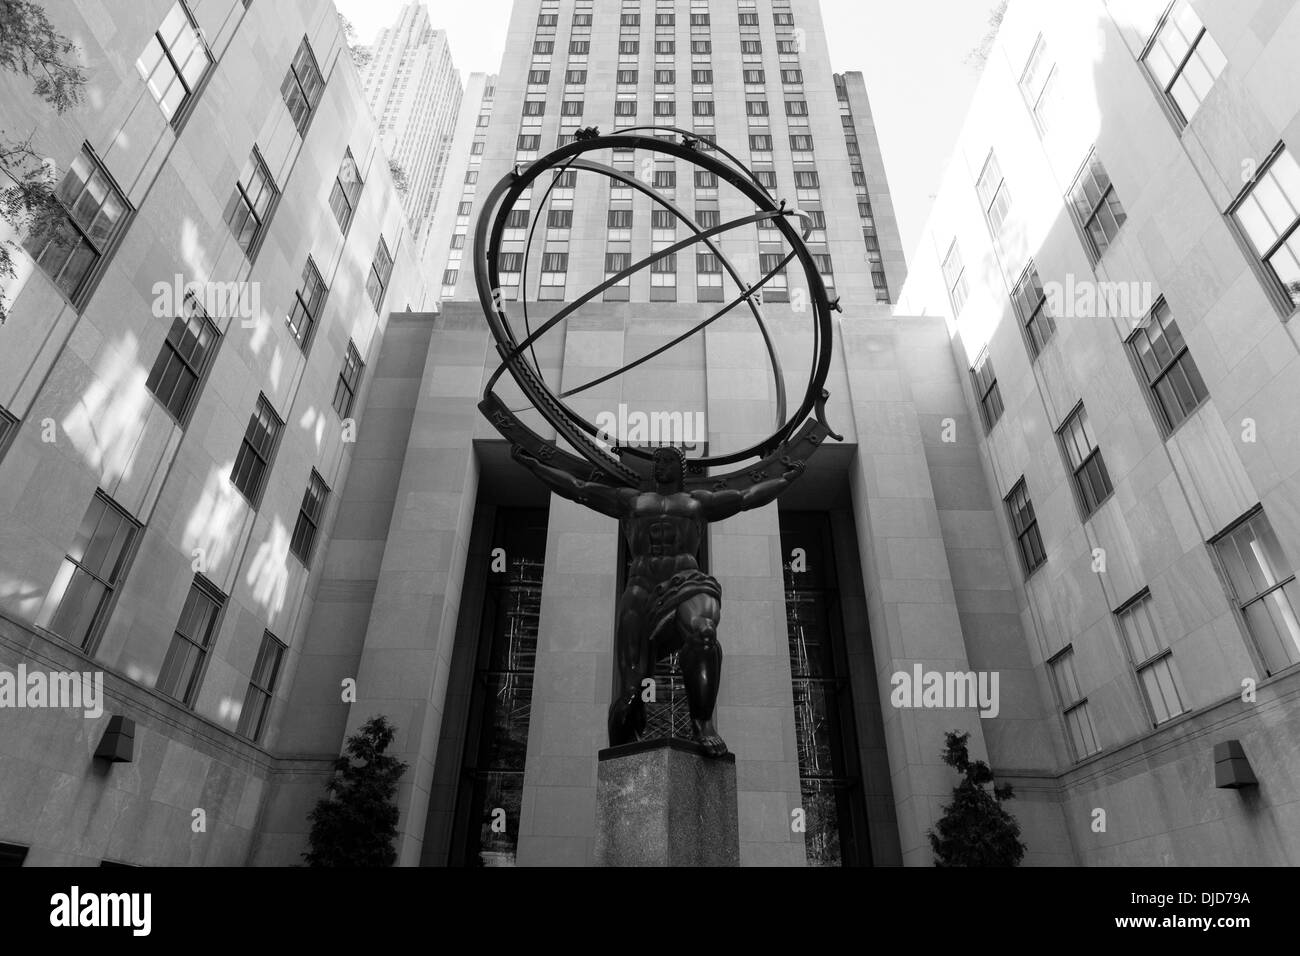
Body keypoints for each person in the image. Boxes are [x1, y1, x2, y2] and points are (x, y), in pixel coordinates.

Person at [511, 443, 804, 755]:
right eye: (657, 461)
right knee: (630, 692)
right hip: (641, 589)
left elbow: (746, 498)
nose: (659, 466)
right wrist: (534, 467)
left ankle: (703, 722)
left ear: (681, 468)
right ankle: (623, 755)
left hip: (685, 583)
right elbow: (577, 488)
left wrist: (786, 481)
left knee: (704, 632)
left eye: (666, 461)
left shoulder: (698, 502)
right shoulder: (631, 500)